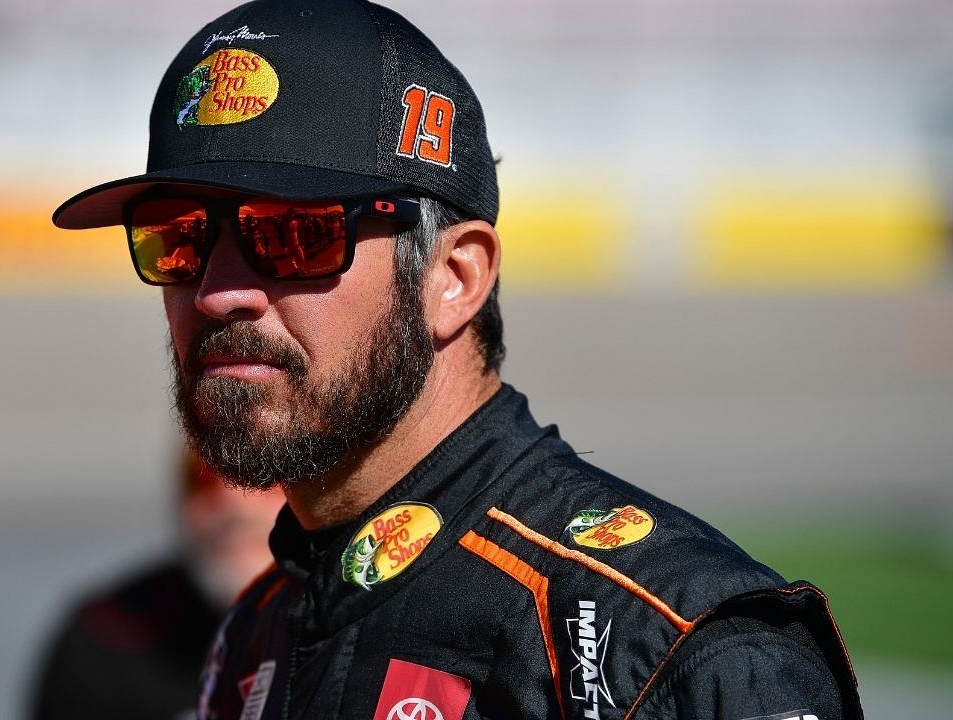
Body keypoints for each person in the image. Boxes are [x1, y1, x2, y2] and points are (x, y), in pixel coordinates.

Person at [51, 1, 864, 718]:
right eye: (181, 239)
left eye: (291, 235)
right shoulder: (252, 637)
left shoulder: (663, 652)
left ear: (454, 277)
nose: (218, 293)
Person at [28, 451, 284, 720]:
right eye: (203, 479)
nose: (231, 503)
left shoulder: (332, 628)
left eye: (264, 477)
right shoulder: (109, 637)